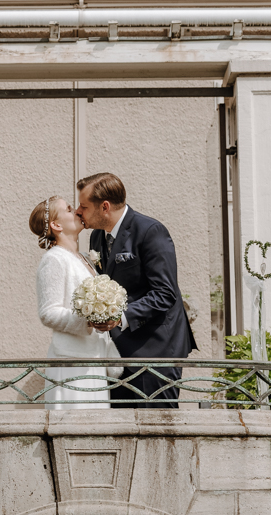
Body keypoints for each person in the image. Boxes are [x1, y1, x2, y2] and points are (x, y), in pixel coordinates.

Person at [75, 173, 196, 408]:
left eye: (84, 206)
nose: (79, 212)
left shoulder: (150, 231)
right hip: (120, 351)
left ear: (105, 207)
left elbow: (165, 292)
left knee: (156, 426)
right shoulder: (96, 237)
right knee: (122, 426)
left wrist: (120, 317)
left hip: (156, 348)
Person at [29, 195, 121, 410]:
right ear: (56, 225)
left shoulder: (84, 258)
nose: (78, 212)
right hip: (72, 363)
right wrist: (88, 320)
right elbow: (48, 312)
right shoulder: (54, 259)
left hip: (93, 358)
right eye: (69, 209)